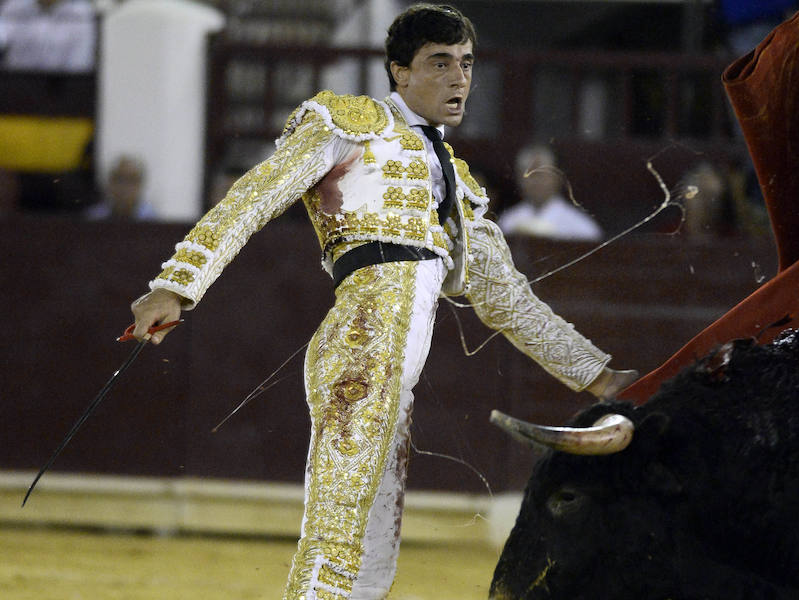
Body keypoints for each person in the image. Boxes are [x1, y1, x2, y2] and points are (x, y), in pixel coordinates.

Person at [129, 4, 637, 598]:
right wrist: (177, 283)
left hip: (394, 377)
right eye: (439, 63)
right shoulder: (350, 124)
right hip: (360, 347)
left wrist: (601, 379)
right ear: (398, 71)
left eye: (467, 64)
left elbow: (510, 303)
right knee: (335, 539)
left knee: (372, 558)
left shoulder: (459, 186)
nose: (459, 79)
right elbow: (255, 196)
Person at [497, 143, 604, 241]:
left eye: (540, 173)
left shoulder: (582, 229)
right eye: (527, 174)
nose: (535, 181)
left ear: (557, 176)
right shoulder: (508, 222)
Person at [0, 0, 96, 72]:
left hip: (62, 90)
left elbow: (79, 66)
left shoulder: (82, 14)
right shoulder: (14, 7)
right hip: (16, 88)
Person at [84, 155, 156, 221]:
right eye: (119, 179)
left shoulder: (152, 221)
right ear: (109, 182)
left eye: (131, 180)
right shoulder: (94, 218)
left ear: (140, 184)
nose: (124, 187)